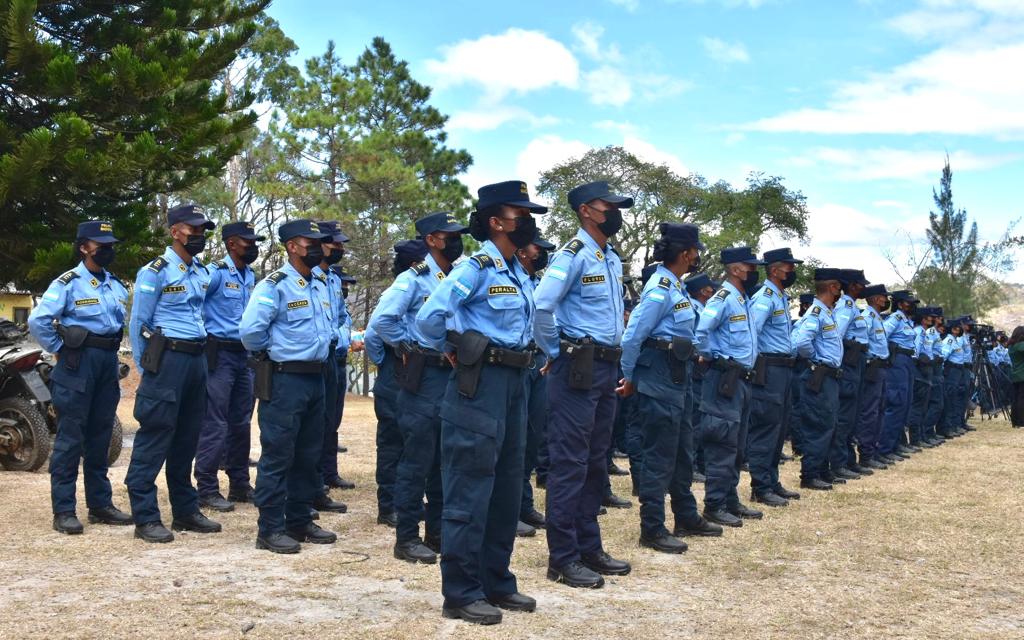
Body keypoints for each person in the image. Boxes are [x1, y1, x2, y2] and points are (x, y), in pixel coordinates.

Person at [416, 180, 545, 625]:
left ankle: (496, 581)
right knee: (470, 489)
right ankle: (461, 591)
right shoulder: (476, 268)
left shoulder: (517, 270)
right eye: (520, 215)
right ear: (496, 222)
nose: (527, 222)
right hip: (480, 384)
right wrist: (453, 347)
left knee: (506, 489)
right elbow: (429, 318)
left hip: (515, 384)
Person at [534, 180, 633, 588]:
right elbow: (542, 305)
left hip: (606, 366)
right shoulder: (571, 254)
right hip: (577, 367)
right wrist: (554, 351)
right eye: (608, 206)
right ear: (586, 212)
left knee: (595, 460)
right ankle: (562, 558)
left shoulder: (609, 257)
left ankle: (589, 547)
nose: (615, 213)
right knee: (570, 463)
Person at [371, 211, 469, 564]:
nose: (456, 241)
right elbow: (382, 320)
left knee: (445, 458)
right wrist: (407, 346)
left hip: (451, 374)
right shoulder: (414, 278)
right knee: (417, 459)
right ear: (431, 240)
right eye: (448, 235)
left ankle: (437, 533)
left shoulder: (458, 275)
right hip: (423, 375)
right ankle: (407, 537)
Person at [619, 223, 722, 554]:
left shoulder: (675, 286)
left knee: (682, 450)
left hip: (679, 373)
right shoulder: (660, 289)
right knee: (659, 455)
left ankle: (686, 515)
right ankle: (652, 528)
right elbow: (633, 336)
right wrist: (629, 376)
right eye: (695, 251)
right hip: (658, 375)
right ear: (685, 253)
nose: (697, 257)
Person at [28, 221, 133, 534]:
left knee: (101, 435)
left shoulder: (115, 285)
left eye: (110, 244)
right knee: (70, 438)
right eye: (102, 245)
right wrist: (59, 348)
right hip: (78, 361)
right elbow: (38, 321)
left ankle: (100, 505)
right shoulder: (68, 283)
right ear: (85, 247)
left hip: (106, 362)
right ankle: (64, 510)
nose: (108, 249)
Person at [239, 219, 337, 554]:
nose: (317, 248)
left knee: (308, 454)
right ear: (292, 247)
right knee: (279, 453)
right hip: (285, 379)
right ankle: (269, 528)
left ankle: (299, 519)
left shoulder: (320, 284)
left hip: (316, 377)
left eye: (319, 243)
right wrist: (273, 354)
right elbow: (251, 332)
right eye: (310, 243)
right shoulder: (275, 285)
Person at [126, 204, 218, 543]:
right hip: (167, 361)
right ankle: (146, 517)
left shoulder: (200, 271)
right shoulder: (156, 271)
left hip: (196, 360)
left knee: (188, 437)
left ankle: (185, 511)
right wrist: (147, 369)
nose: (200, 235)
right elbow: (139, 323)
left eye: (203, 230)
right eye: (194, 229)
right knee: (155, 435)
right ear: (175, 231)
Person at [194, 221, 264, 513]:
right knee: (215, 422)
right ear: (231, 243)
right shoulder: (215, 273)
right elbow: (194, 305)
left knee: (241, 422)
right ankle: (207, 487)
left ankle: (239, 484)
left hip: (244, 356)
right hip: (219, 355)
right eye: (248, 242)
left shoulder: (250, 276)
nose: (253, 247)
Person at [693, 246, 764, 526]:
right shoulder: (723, 299)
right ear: (735, 269)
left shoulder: (742, 300)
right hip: (725, 378)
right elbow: (701, 332)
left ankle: (730, 499)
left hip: (742, 380)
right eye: (750, 267)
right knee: (722, 442)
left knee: (737, 444)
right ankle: (714, 504)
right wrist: (714, 357)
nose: (754, 272)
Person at [370, 239, 429, 527]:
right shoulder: (398, 290)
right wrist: (392, 357)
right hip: (397, 370)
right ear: (414, 264)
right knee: (393, 441)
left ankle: (410, 502)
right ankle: (388, 506)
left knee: (415, 441)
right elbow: (373, 334)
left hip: (416, 370)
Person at [747, 248, 803, 508]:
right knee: (766, 427)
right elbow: (752, 332)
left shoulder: (780, 297)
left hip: (784, 369)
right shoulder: (765, 297)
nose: (792, 270)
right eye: (788, 266)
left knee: (779, 428)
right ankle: (760, 486)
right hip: (768, 368)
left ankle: (771, 481)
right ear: (774, 270)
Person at [514, 231, 556, 532]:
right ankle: (508, 509)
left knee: (532, 437)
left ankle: (523, 504)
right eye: (536, 248)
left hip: (537, 361)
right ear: (521, 251)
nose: (541, 253)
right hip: (514, 363)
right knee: (512, 439)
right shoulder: (506, 278)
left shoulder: (535, 283)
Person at [310, 220, 351, 518]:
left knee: (330, 421)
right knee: (313, 426)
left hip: (334, 357)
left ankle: (324, 477)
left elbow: (341, 316)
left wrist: (340, 336)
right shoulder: (307, 276)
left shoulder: (334, 280)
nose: (338, 247)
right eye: (333, 242)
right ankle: (311, 486)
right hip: (314, 360)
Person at [791, 268, 844, 491]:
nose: (841, 290)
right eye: (839, 286)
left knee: (829, 423)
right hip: (819, 375)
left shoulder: (827, 312)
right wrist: (816, 360)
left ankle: (822, 470)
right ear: (832, 287)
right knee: (818, 424)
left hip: (829, 377)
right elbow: (802, 342)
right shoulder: (816, 312)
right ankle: (810, 474)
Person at [829, 269, 871, 481]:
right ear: (852, 285)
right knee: (844, 416)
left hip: (857, 362)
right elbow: (837, 334)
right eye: (861, 284)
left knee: (852, 415)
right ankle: (838, 463)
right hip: (849, 362)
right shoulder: (845, 306)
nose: (864, 287)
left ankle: (848, 460)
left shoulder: (852, 306)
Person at [685, 272, 718, 482]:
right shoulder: (694, 309)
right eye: (708, 288)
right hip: (697, 366)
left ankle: (699, 463)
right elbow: (697, 338)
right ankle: (692, 466)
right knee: (695, 419)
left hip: (702, 368)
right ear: (701, 291)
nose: (712, 291)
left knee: (701, 418)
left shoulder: (702, 309)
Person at [879, 290, 920, 461]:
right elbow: (882, 334)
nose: (912, 305)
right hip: (897, 361)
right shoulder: (895, 318)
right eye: (909, 302)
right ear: (900, 303)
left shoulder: (907, 320)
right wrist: (887, 355)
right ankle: (884, 449)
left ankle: (895, 445)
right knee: (896, 403)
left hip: (907, 361)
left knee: (905, 404)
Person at [855, 284, 891, 470]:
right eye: (884, 297)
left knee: (880, 410)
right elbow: (862, 342)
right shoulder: (867, 317)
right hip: (873, 368)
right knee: (870, 412)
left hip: (882, 367)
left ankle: (874, 451)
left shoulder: (877, 318)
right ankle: (866, 454)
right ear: (876, 299)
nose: (886, 300)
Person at [907, 307, 937, 449]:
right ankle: (915, 438)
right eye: (929, 317)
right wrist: (921, 365)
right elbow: (915, 353)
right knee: (917, 407)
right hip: (920, 373)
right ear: (923, 319)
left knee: (923, 407)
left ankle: (921, 436)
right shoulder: (919, 332)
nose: (932, 319)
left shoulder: (924, 332)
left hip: (926, 372)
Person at [939, 318, 969, 438]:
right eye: (958, 328)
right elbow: (943, 356)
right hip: (951, 371)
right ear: (953, 329)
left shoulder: (955, 340)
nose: (961, 330)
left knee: (954, 399)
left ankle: (952, 425)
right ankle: (946, 428)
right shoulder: (949, 340)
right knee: (949, 400)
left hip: (957, 372)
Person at [922, 308, 947, 446]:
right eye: (938, 317)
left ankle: (930, 432)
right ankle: (926, 432)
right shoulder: (931, 332)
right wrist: (934, 359)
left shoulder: (936, 333)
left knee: (938, 403)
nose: (940, 320)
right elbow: (928, 350)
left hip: (937, 369)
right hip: (933, 367)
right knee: (936, 403)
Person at [1007, 326, 1024, 427]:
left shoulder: (1011, 346)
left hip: (1015, 375)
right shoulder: (1020, 346)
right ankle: (1021, 421)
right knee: (1021, 398)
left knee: (1016, 398)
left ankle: (1015, 421)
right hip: (1022, 375)